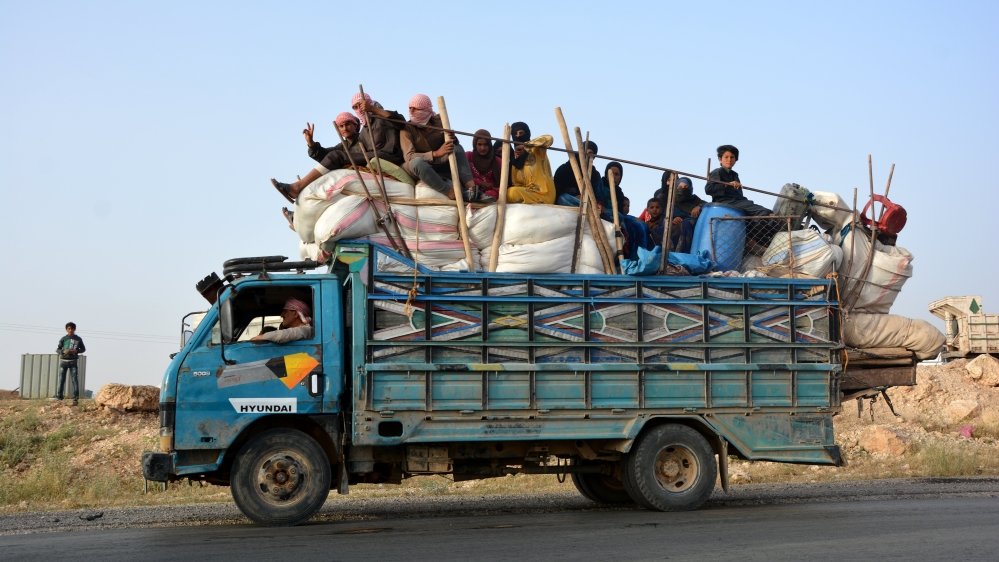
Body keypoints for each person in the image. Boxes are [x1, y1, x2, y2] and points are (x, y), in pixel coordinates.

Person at [271, 92, 408, 202]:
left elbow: (401, 121)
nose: (359, 109)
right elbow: (325, 156)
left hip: (388, 156)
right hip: (371, 159)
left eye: (361, 105)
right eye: (355, 107)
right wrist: (311, 143)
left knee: (336, 157)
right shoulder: (364, 132)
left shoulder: (381, 118)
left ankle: (297, 187)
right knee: (333, 161)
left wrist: (373, 109)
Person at [399, 94, 492, 202]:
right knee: (418, 162)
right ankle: (450, 193)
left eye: (416, 109)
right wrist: (435, 153)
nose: (412, 112)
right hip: (417, 167)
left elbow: (450, 144)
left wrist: (452, 138)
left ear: (427, 110)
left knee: (457, 148)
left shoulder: (439, 122)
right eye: (410, 109)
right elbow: (409, 156)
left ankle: (473, 189)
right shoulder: (406, 129)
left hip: (438, 164)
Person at [704, 145, 771, 216]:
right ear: (720, 159)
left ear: (735, 160)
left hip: (739, 202)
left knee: (766, 212)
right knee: (764, 212)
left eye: (732, 157)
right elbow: (709, 189)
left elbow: (738, 195)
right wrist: (727, 184)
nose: (729, 160)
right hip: (726, 203)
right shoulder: (717, 172)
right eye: (726, 157)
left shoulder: (734, 175)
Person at [507, 122, 556, 204]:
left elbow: (549, 138)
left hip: (544, 194)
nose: (518, 136)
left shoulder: (536, 149)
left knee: (511, 193)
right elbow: (516, 184)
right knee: (507, 193)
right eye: (515, 134)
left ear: (527, 133)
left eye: (521, 133)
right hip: (526, 194)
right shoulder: (514, 161)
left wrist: (526, 146)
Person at [654, 176, 704, 253]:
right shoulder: (672, 203)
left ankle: (684, 253)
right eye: (680, 187)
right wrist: (672, 220)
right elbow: (665, 217)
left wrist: (699, 206)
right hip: (675, 225)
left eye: (686, 187)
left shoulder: (695, 200)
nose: (683, 189)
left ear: (690, 188)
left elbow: (707, 205)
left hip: (690, 224)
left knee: (686, 224)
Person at [553, 140, 600, 206]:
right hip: (569, 200)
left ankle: (587, 207)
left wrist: (589, 199)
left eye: (590, 153)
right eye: (584, 151)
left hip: (588, 203)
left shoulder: (595, 175)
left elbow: (599, 196)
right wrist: (575, 197)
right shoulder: (564, 169)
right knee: (563, 198)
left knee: (615, 213)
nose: (586, 155)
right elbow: (557, 193)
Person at [52, 322, 85, 405]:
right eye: (69, 328)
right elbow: (57, 349)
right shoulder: (63, 339)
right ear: (66, 329)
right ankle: (59, 398)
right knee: (61, 380)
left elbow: (83, 349)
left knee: (74, 380)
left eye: (72, 328)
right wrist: (63, 351)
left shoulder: (78, 339)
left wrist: (76, 351)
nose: (70, 330)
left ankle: (75, 399)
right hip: (63, 361)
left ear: (74, 329)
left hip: (73, 361)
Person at [466, 129, 503, 199]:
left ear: (490, 145)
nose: (482, 148)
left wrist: (492, 188)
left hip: (491, 194)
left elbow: (504, 184)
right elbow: (461, 176)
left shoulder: (498, 161)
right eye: (479, 144)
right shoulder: (468, 156)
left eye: (486, 144)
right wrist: (480, 183)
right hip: (470, 191)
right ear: (475, 144)